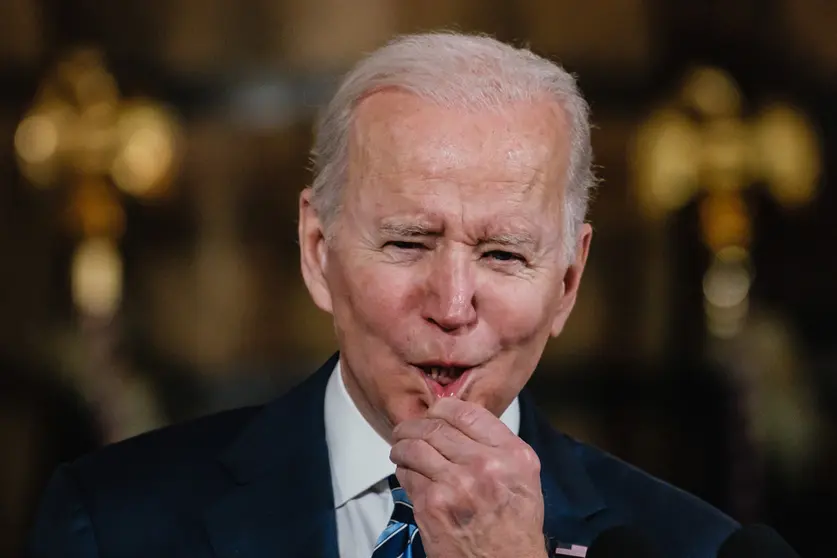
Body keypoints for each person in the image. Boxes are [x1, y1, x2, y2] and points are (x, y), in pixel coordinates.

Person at [27, 32, 739, 558]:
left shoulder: (696, 548)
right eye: (407, 243)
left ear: (567, 284)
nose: (453, 305)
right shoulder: (115, 523)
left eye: (502, 254)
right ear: (317, 251)